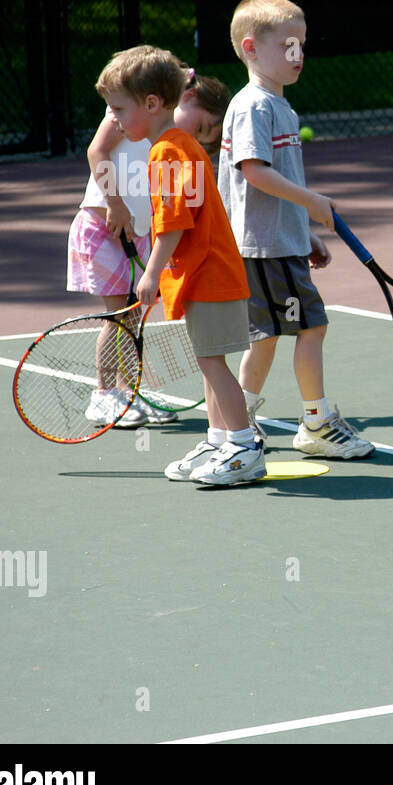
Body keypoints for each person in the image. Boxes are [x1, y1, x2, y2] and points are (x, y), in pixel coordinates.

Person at [94, 44, 263, 485]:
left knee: (213, 364)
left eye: (119, 109)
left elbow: (173, 221)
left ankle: (244, 447)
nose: (114, 118)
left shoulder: (168, 151)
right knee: (210, 361)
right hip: (202, 275)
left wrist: (151, 273)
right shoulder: (174, 146)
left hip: (209, 275)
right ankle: (219, 440)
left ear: (152, 103)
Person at [218, 0, 372, 459]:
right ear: (250, 48)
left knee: (266, 337)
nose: (297, 53)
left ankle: (236, 419)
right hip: (264, 248)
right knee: (312, 327)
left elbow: (274, 185)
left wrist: (304, 231)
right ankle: (316, 424)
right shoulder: (254, 106)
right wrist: (312, 202)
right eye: (287, 44)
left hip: (277, 244)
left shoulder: (279, 107)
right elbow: (254, 172)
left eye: (301, 44)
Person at [69, 66, 232, 428]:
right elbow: (97, 151)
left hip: (136, 232)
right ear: (185, 98)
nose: (199, 136)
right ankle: (103, 395)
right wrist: (115, 205)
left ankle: (130, 393)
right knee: (119, 315)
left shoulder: (167, 139)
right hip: (104, 227)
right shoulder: (129, 115)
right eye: (202, 126)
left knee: (131, 316)